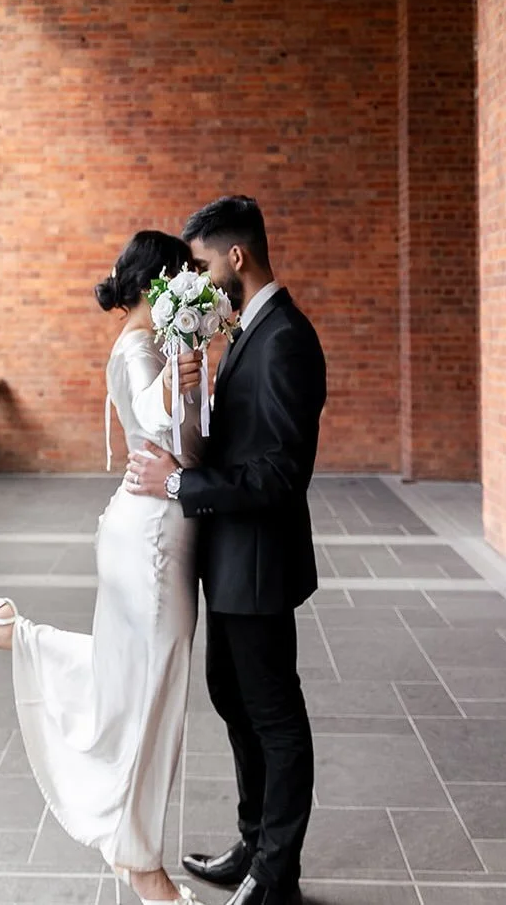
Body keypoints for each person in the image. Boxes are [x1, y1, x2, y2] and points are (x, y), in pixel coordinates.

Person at [0, 230, 208, 905]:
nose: (189, 293)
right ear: (157, 285)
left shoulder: (157, 346)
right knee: (149, 693)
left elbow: (183, 441)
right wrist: (184, 377)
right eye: (182, 281)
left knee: (133, 679)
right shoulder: (144, 348)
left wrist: (192, 365)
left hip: (148, 526)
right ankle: (144, 868)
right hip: (148, 537)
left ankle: (13, 633)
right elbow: (155, 418)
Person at [127, 196, 326, 905]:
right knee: (233, 700)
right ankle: (253, 842)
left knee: (272, 714)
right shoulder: (249, 331)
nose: (201, 280)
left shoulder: (285, 339)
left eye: (206, 264)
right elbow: (242, 441)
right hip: (232, 558)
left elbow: (278, 473)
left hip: (260, 563)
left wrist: (182, 482)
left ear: (235, 257)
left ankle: (277, 875)